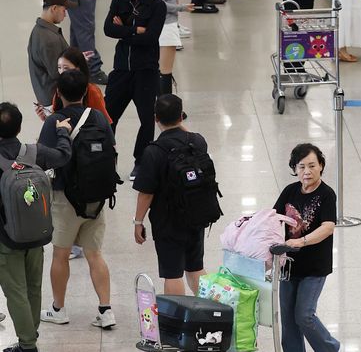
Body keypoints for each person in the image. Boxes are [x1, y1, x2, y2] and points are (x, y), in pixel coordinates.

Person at [37, 69, 116, 330]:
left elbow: (45, 158)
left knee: (60, 255)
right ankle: (106, 310)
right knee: (95, 254)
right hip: (97, 199)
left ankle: (58, 309)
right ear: (85, 92)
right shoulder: (99, 119)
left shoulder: (54, 122)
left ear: (58, 93)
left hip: (65, 199)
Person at [0, 103, 72, 352]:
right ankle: (32, 334)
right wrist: (62, 131)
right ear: (20, 127)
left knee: (15, 291)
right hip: (36, 233)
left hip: (5, 237)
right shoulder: (34, 152)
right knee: (33, 286)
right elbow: (63, 156)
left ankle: (27, 344)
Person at [134, 94, 218, 296]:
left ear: (156, 119)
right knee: (195, 268)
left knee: (172, 274)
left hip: (168, 222)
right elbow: (191, 139)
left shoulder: (154, 152)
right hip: (196, 214)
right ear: (181, 116)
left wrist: (138, 221)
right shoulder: (198, 141)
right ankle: (208, 313)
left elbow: (146, 193)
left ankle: (179, 321)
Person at [103, 0, 166, 180]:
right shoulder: (120, 0)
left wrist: (124, 30)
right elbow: (108, 29)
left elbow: (151, 37)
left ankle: (141, 162)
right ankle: (106, 160)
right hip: (121, 69)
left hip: (146, 71)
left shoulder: (157, 5)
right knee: (108, 117)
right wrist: (135, 30)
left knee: (147, 119)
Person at [273, 142, 339, 351]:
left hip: (314, 268)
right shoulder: (290, 191)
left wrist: (301, 241)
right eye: (301, 167)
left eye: (312, 165)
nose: (307, 172)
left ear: (321, 165)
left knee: (304, 315)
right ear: (295, 169)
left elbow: (328, 227)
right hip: (289, 267)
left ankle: (330, 348)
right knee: (288, 319)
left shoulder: (327, 194)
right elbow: (273, 218)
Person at [27, 0, 71, 112]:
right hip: (56, 100)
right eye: (64, 10)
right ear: (54, 8)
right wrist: (76, 63)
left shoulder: (37, 30)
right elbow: (58, 72)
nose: (65, 14)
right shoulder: (49, 39)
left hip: (47, 97)